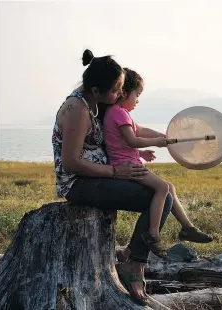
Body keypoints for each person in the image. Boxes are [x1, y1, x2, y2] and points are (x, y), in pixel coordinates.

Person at [51, 49, 202, 305]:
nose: (120, 94)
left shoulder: (99, 104)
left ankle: (133, 258)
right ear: (97, 90)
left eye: (122, 89)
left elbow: (134, 128)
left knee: (161, 193)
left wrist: (169, 139)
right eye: (116, 90)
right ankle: (134, 264)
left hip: (101, 176)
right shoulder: (78, 109)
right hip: (78, 184)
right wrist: (115, 171)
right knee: (158, 196)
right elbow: (70, 162)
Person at [103, 68, 213, 259]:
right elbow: (131, 140)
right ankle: (152, 234)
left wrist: (163, 137)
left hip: (129, 160)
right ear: (124, 92)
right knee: (162, 188)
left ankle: (187, 227)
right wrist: (155, 143)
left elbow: (138, 132)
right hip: (128, 167)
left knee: (170, 186)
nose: (138, 100)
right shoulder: (118, 113)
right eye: (137, 94)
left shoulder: (120, 113)